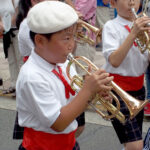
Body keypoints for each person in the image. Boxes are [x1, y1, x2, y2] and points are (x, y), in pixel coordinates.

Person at [16, 1, 113, 150]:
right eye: (67, 38)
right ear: (40, 41)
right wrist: (88, 90)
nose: (72, 45)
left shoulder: (63, 62)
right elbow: (59, 123)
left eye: (74, 37)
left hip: (69, 144)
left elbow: (73, 101)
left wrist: (94, 94)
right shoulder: (32, 76)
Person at [102, 0, 150, 150]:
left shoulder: (143, 27)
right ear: (113, 4)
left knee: (134, 142)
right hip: (116, 90)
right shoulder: (111, 27)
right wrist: (133, 32)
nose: (131, 2)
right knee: (135, 145)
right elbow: (114, 61)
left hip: (138, 89)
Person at [0, 0, 23, 95]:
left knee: (19, 59)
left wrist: (8, 26)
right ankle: (13, 84)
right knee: (11, 60)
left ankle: (21, 86)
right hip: (6, 33)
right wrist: (2, 26)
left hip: (16, 31)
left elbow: (17, 13)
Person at [73, 0, 97, 75]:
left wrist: (68, 2)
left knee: (82, 73)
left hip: (82, 39)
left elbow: (77, 14)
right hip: (76, 36)